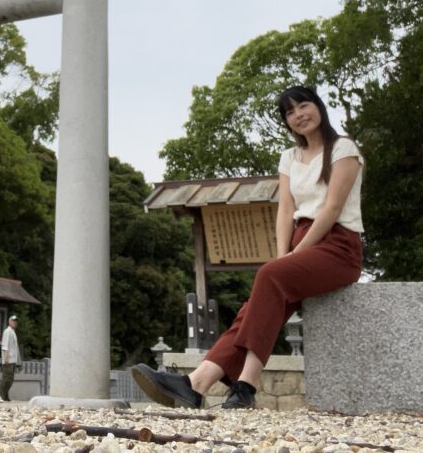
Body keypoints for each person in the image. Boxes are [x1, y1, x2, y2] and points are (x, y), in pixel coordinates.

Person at [133, 85, 363, 409]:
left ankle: (246, 384)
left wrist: (291, 259)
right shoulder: (290, 157)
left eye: (303, 106)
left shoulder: (343, 149)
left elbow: (332, 208)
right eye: (289, 112)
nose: (298, 115)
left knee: (269, 278)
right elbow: (285, 210)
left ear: (319, 106)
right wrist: (285, 256)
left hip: (338, 248)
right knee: (253, 307)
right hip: (301, 243)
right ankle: (196, 384)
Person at [0, 314, 20, 402]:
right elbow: (5, 345)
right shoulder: (7, 331)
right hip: (8, 358)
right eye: (13, 321)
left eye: (16, 321)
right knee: (7, 377)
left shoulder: (13, 332)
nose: (15, 322)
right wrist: (6, 357)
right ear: (9, 322)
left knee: (10, 378)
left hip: (13, 359)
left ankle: (5, 396)